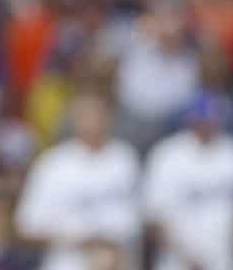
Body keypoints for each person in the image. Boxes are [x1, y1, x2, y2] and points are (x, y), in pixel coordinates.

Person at [15, 91, 141, 270]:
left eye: (98, 114)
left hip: (119, 260)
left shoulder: (125, 158)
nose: (93, 121)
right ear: (74, 119)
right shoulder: (54, 163)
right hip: (69, 262)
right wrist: (74, 238)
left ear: (109, 117)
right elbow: (26, 226)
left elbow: (138, 217)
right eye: (85, 115)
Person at [142, 91, 233, 270]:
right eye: (201, 120)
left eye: (210, 120)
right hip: (178, 261)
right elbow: (154, 219)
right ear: (190, 120)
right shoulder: (167, 155)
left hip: (227, 259)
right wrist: (187, 257)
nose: (205, 125)